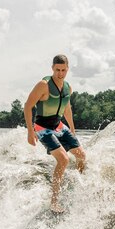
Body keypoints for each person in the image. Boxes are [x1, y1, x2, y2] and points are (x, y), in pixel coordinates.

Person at [24, 54, 86, 213]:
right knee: (64, 160)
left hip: (58, 125)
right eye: (57, 70)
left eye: (63, 70)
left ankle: (78, 188)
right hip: (42, 127)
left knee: (81, 155)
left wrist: (72, 128)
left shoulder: (68, 88)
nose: (60, 73)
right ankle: (54, 201)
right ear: (52, 68)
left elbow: (67, 108)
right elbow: (28, 106)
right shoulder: (43, 85)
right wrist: (30, 132)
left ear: (67, 69)